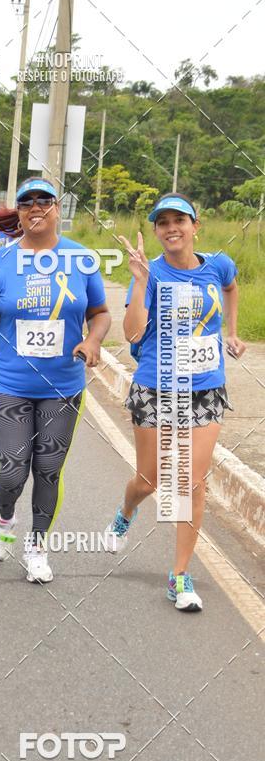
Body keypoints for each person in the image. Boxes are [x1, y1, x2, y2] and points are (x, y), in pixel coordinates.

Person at [0, 178, 111, 583]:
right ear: (21, 211)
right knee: (11, 473)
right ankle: (5, 519)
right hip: (9, 382)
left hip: (62, 386)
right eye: (26, 202)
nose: (35, 207)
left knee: (48, 470)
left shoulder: (81, 259)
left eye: (44, 200)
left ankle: (38, 546)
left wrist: (93, 340)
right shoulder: (0, 261)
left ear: (57, 208)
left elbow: (100, 311)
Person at [104, 192, 246, 612]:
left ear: (195, 225)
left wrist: (232, 332)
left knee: (190, 483)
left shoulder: (217, 264)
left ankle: (179, 576)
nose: (171, 228)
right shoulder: (149, 274)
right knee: (149, 481)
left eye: (178, 220)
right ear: (156, 231)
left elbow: (232, 286)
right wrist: (142, 281)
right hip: (155, 388)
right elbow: (131, 333)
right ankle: (126, 511)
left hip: (205, 389)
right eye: (162, 222)